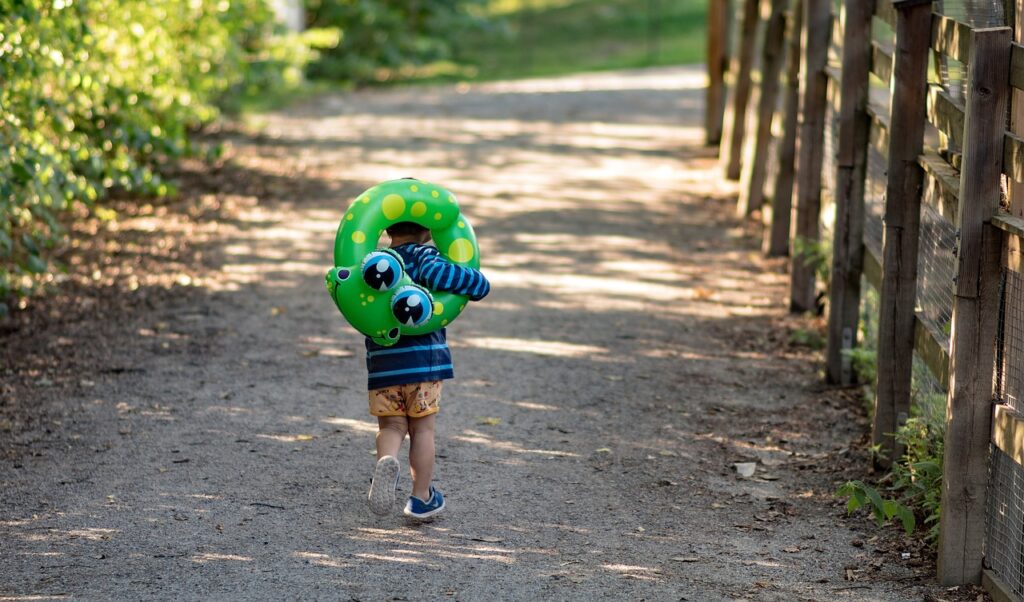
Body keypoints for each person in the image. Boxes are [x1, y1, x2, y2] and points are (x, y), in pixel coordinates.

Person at [365, 220, 490, 519]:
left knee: (392, 427)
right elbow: (476, 287)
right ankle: (421, 498)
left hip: (383, 364)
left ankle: (387, 462)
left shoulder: (374, 264)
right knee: (422, 430)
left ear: (386, 229)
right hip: (423, 363)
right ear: (428, 230)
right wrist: (478, 279)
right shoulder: (426, 257)